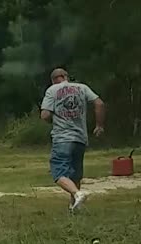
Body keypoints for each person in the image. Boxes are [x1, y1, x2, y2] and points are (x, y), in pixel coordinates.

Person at [40, 68, 105, 211]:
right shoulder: (82, 88)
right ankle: (74, 206)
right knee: (75, 174)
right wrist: (99, 125)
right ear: (66, 77)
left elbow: (45, 115)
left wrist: (52, 119)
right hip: (80, 138)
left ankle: (77, 194)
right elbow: (99, 103)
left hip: (62, 138)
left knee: (59, 173)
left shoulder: (52, 90)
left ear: (53, 80)